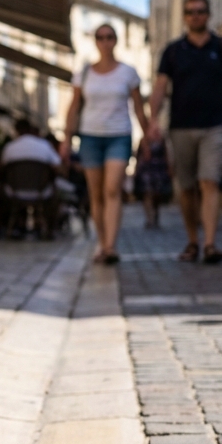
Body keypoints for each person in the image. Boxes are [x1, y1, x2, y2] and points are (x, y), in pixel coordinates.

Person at [147, 0, 222, 264]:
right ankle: (192, 240)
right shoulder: (172, 52)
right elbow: (160, 87)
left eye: (200, 11)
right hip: (181, 127)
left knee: (210, 181)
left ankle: (210, 244)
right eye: (190, 12)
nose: (195, 15)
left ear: (208, 15)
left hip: (215, 126)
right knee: (187, 188)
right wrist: (152, 120)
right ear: (184, 17)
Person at [60, 23, 148, 264]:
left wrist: (148, 137)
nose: (105, 41)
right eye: (100, 37)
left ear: (116, 40)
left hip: (119, 135)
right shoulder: (84, 73)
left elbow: (139, 109)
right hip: (89, 136)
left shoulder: (128, 72)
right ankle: (102, 241)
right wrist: (66, 138)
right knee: (95, 194)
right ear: (95, 41)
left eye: (109, 37)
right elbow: (74, 106)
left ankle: (111, 246)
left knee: (112, 189)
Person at [1, 120, 62, 238]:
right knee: (56, 191)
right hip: (41, 192)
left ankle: (16, 224)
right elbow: (58, 167)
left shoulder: (10, 147)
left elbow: (1, 168)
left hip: (14, 192)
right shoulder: (44, 145)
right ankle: (48, 228)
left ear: (16, 131)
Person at [134, 137, 173, 229]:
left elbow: (166, 154)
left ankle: (155, 214)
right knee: (147, 193)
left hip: (159, 170)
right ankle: (149, 218)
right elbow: (138, 155)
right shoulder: (143, 140)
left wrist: (169, 167)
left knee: (157, 194)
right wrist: (136, 169)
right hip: (146, 170)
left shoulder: (162, 139)